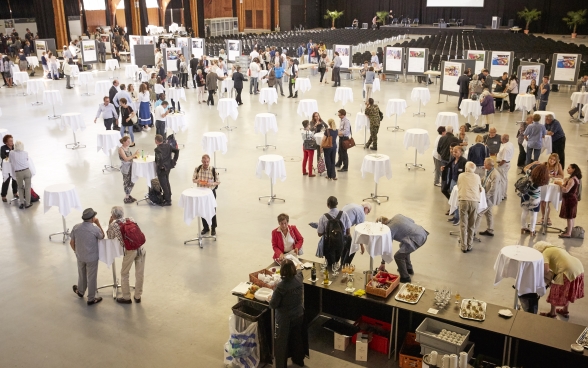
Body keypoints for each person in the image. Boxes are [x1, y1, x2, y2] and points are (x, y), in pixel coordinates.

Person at [268, 259, 309, 368]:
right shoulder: (299, 279)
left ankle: (281, 365)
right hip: (299, 315)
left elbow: (273, 305)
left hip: (285, 319)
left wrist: (270, 298)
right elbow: (300, 271)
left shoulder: (281, 287)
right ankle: (299, 360)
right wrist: (299, 266)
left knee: (282, 344)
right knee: (297, 339)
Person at [106, 206, 146, 304]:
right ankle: (138, 296)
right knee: (139, 273)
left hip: (130, 251)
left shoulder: (114, 224)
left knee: (124, 273)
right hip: (141, 248)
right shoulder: (131, 219)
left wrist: (109, 223)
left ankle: (126, 297)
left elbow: (110, 237)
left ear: (113, 215)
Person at [534, 242, 584, 318]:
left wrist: (543, 279)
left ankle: (552, 313)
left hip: (567, 271)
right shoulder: (556, 248)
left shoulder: (545, 253)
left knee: (554, 291)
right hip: (578, 268)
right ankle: (565, 311)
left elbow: (545, 270)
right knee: (568, 291)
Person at [376, 214, 428, 283]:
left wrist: (383, 263)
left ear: (382, 226)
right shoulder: (397, 216)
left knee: (398, 256)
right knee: (403, 247)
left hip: (417, 238)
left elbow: (387, 247)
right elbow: (412, 221)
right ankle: (408, 268)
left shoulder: (388, 229)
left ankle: (405, 277)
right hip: (422, 232)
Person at [70, 208, 105, 306]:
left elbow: (71, 242)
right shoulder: (95, 229)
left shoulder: (76, 227)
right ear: (93, 218)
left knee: (81, 274)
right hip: (92, 258)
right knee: (91, 277)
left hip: (80, 256)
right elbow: (102, 236)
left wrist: (76, 251)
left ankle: (80, 291)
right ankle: (91, 298)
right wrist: (98, 224)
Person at [317, 196, 352, 266]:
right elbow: (348, 232)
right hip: (341, 243)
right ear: (337, 203)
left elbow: (319, 234)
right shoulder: (344, 214)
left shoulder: (323, 217)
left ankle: (332, 271)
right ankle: (342, 267)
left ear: (327, 204)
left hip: (329, 244)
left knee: (330, 265)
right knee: (338, 260)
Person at [457, 162, 482, 252]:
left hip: (463, 200)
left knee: (463, 224)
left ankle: (463, 246)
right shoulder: (477, 177)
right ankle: (470, 244)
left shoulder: (461, 176)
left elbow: (458, 185)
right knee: (472, 225)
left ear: (466, 168)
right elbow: (480, 189)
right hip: (474, 201)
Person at [475, 158, 503, 237]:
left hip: (490, 198)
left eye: (485, 163)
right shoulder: (488, 171)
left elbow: (493, 189)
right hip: (485, 195)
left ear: (489, 165)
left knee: (480, 213)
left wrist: (485, 197)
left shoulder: (495, 175)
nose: (484, 164)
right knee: (488, 213)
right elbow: (484, 179)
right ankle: (490, 230)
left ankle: (473, 232)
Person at [192, 154, 220, 235]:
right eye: (204, 162)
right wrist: (199, 181)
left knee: (212, 210)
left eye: (207, 162)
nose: (206, 163)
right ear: (201, 161)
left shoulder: (213, 170)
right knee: (202, 210)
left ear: (209, 161)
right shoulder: (197, 169)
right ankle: (205, 227)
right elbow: (193, 179)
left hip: (210, 193)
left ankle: (213, 228)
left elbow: (218, 182)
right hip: (201, 192)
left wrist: (210, 184)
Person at [520, 163, 550, 236]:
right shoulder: (544, 179)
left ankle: (523, 228)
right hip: (535, 198)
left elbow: (525, 167)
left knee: (524, 212)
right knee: (533, 214)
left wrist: (534, 163)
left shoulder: (529, 173)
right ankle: (532, 231)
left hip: (525, 195)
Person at [556, 164, 582, 238]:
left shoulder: (572, 179)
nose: (567, 169)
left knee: (569, 217)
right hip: (573, 199)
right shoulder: (575, 178)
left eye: (569, 168)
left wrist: (560, 184)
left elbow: (566, 190)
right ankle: (570, 230)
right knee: (572, 216)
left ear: (573, 169)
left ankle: (568, 233)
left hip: (569, 200)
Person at [443, 146, 467, 224]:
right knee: (454, 199)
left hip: (459, 182)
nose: (454, 153)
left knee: (458, 200)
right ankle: (455, 215)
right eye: (453, 152)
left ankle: (458, 218)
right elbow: (449, 166)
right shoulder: (453, 160)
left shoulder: (464, 161)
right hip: (453, 181)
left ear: (461, 152)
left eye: (456, 152)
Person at [154, 134, 179, 206]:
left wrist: (160, 165)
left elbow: (158, 159)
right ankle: (168, 195)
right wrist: (174, 160)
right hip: (168, 167)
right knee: (167, 182)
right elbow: (177, 151)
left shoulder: (157, 149)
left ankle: (168, 200)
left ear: (156, 141)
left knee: (163, 184)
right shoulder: (168, 146)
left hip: (162, 169)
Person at [8, 140, 32, 209]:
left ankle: (21, 203)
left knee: (20, 188)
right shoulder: (25, 153)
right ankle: (27, 203)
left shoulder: (12, 153)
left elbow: (10, 161)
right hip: (27, 171)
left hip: (18, 173)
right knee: (27, 188)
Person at [118, 136, 139, 203]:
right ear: (123, 142)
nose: (129, 142)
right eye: (127, 141)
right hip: (126, 168)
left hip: (131, 167)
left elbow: (129, 157)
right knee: (127, 182)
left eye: (129, 141)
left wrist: (134, 155)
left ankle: (128, 194)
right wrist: (133, 156)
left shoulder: (127, 148)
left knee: (131, 181)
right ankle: (126, 197)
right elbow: (126, 159)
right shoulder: (121, 149)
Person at [1, 135, 18, 202]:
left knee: (15, 179)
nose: (12, 142)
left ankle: (15, 192)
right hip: (6, 166)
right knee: (6, 180)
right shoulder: (3, 148)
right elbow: (3, 156)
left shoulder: (15, 146)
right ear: (6, 142)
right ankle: (3, 195)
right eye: (10, 141)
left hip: (14, 166)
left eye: (12, 140)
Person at [496, 134, 514, 199]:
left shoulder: (506, 148)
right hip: (506, 164)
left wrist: (498, 165)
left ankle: (502, 195)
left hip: (503, 165)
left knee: (502, 180)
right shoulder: (510, 144)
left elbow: (504, 159)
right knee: (505, 179)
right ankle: (504, 193)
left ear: (503, 139)